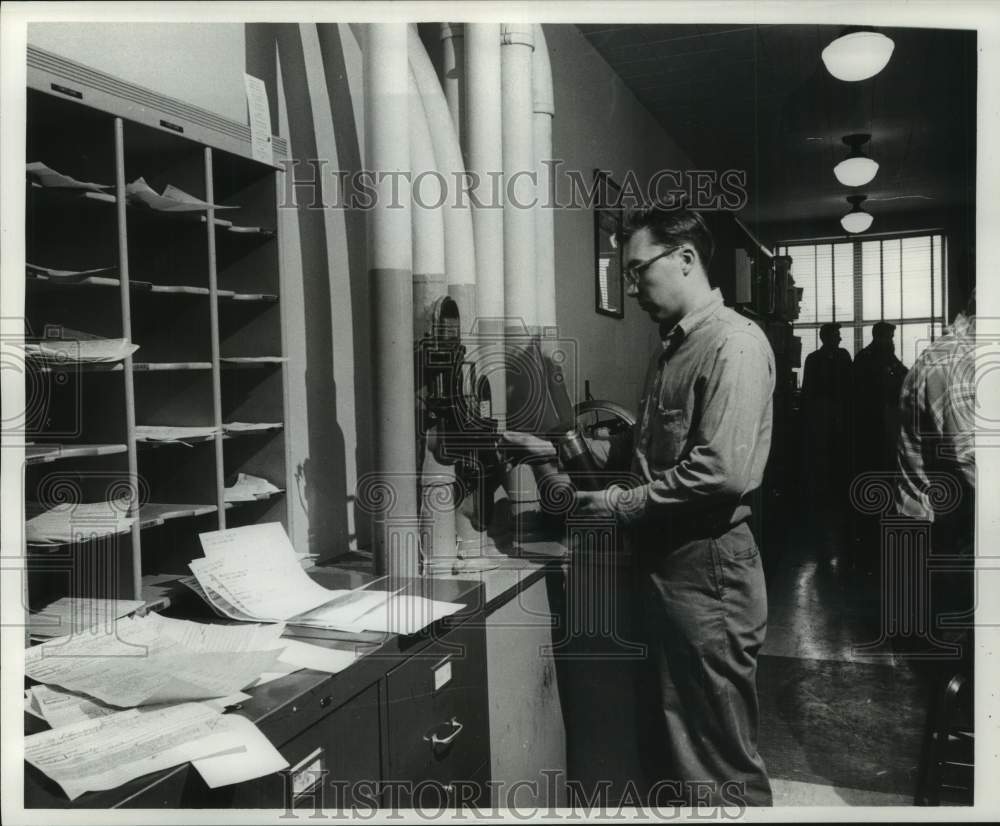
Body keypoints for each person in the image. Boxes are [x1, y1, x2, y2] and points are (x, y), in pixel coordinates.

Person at [566, 207, 775, 807]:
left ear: (685, 258)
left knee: (718, 760)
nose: (632, 289)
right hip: (670, 567)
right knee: (679, 743)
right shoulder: (672, 350)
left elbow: (722, 472)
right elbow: (647, 451)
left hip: (708, 571)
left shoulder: (732, 344)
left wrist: (620, 504)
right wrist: (557, 446)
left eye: (638, 271)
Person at [799, 322, 853, 505]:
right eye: (836, 334)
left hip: (838, 413)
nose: (840, 337)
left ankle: (835, 494)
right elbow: (808, 391)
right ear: (826, 337)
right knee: (823, 455)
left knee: (838, 454)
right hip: (822, 415)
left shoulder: (842, 356)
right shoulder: (814, 359)